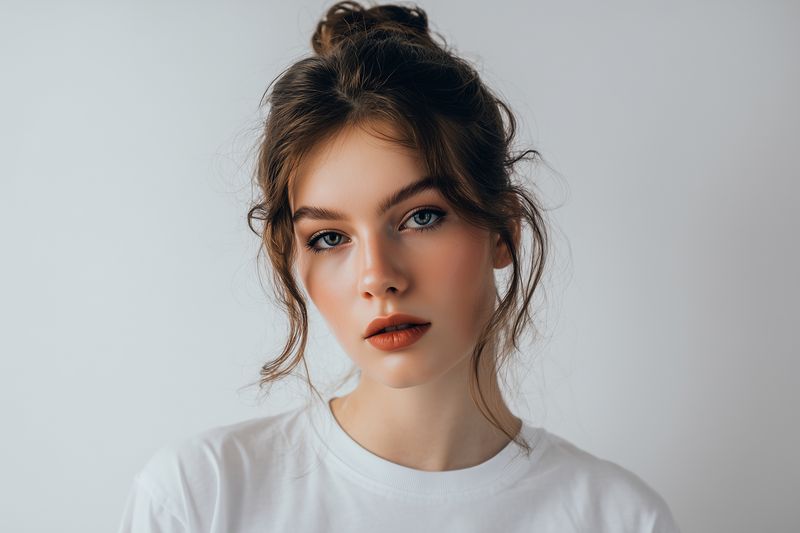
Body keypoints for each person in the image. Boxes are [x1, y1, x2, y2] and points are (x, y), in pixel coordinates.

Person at [117, 2, 682, 531]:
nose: (377, 277)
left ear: (503, 230)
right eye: (331, 237)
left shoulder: (617, 518)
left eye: (421, 218)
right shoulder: (203, 498)